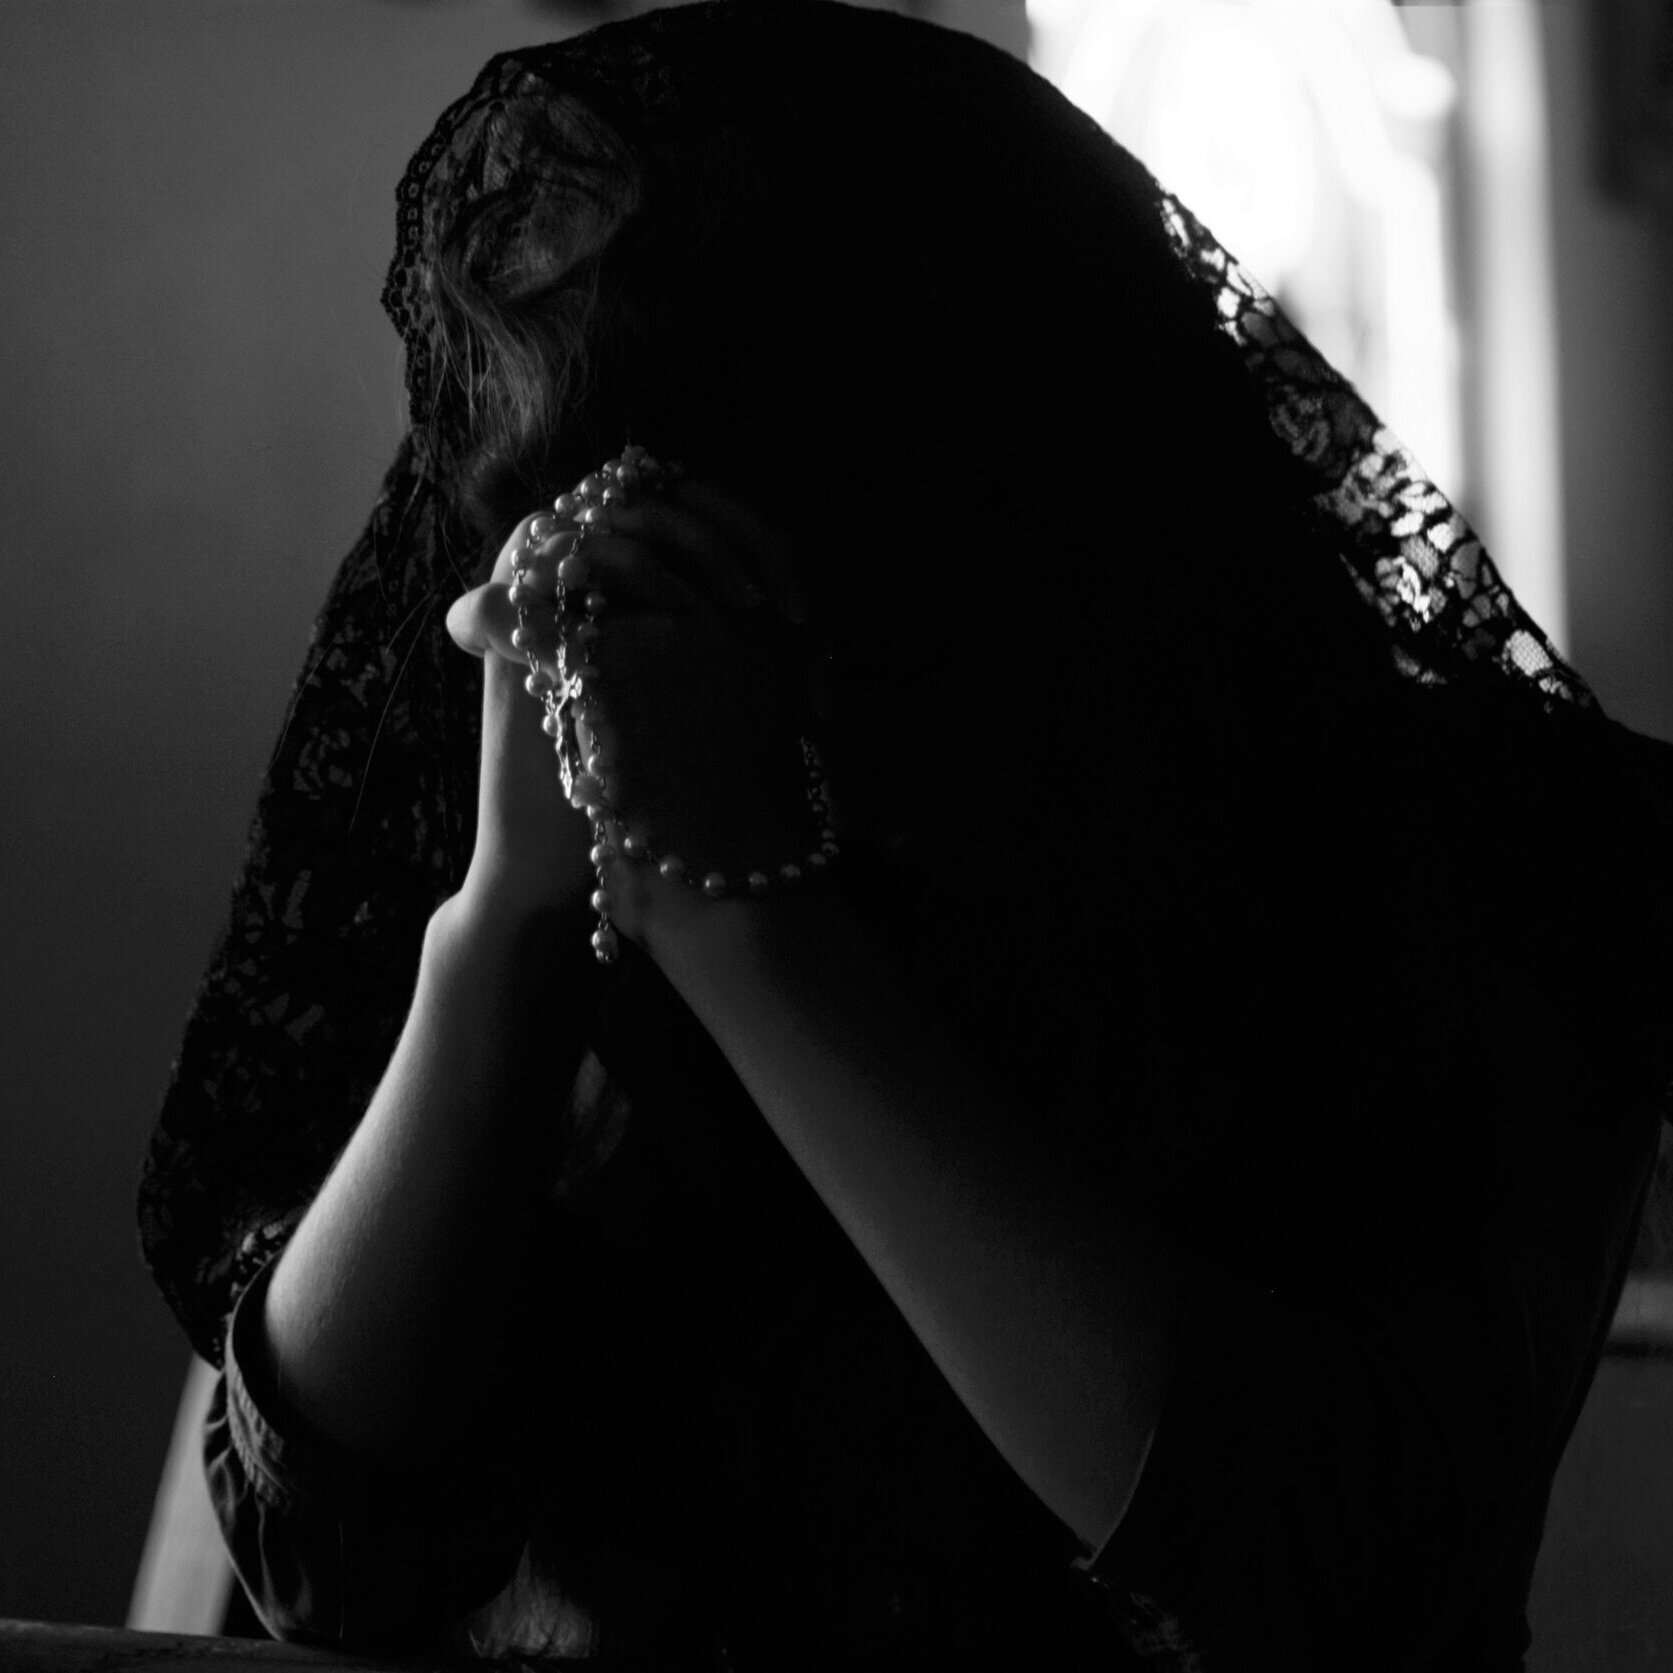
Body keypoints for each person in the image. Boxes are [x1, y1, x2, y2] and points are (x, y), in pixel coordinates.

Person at [136, 3, 1673, 1666]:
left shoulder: (1481, 855)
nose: (601, 578)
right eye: (549, 480)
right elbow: (323, 1554)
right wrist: (504, 924)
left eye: (704, 483)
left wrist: (747, 929)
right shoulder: (556, 851)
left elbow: (1310, 1578)